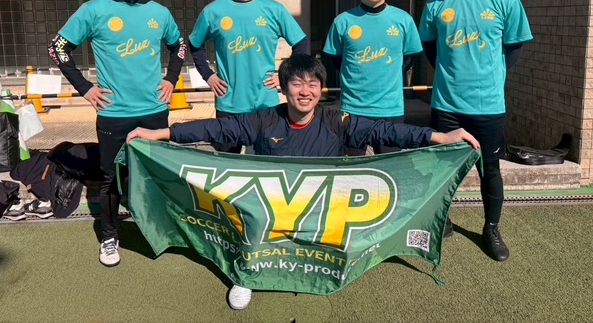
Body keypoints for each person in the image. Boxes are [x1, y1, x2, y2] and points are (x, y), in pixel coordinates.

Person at [127, 54, 479, 310]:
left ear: (321, 89)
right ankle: (245, 275)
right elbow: (217, 128)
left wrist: (440, 137)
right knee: (249, 218)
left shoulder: (336, 120)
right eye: (297, 83)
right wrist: (161, 134)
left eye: (313, 84)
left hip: (319, 211)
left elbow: (383, 131)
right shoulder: (264, 120)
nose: (305, 91)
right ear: (283, 88)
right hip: (269, 212)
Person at [48, 0, 186, 267]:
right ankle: (110, 236)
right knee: (111, 178)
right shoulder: (94, 10)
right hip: (114, 114)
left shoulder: (159, 13)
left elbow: (179, 46)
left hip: (154, 112)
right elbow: (57, 49)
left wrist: (171, 79)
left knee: (156, 175)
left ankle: (160, 228)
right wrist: (85, 88)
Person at [418, 0, 533, 262]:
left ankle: (491, 228)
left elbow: (513, 48)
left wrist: (491, 77)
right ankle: (443, 219)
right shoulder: (436, 4)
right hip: (447, 104)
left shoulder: (506, 2)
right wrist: (451, 75)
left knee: (490, 169)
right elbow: (430, 48)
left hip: (488, 105)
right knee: (443, 169)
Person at [188, 0, 309, 153]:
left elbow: (301, 44)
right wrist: (208, 75)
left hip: (266, 105)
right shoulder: (213, 11)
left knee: (267, 163)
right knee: (227, 165)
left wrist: (284, 76)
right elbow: (194, 44)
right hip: (228, 104)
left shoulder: (274, 10)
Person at [323, 0, 422, 154]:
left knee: (389, 167)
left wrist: (388, 75)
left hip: (390, 109)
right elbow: (334, 58)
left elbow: (410, 57)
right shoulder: (343, 21)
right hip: (353, 109)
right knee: (353, 168)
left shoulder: (403, 20)